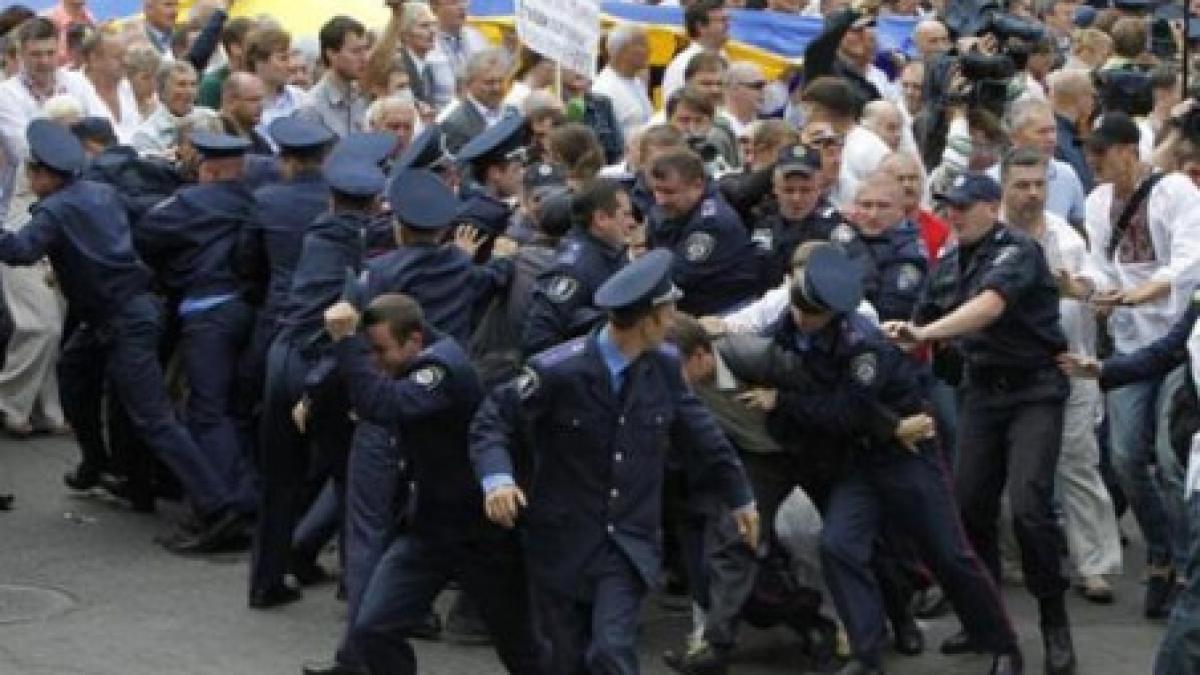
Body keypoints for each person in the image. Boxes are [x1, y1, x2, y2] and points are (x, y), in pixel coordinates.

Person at [471, 248, 760, 675]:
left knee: (611, 650)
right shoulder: (558, 371)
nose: (673, 320)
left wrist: (741, 498)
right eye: (668, 311)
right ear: (649, 319)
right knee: (565, 660)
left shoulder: (663, 367)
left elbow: (703, 436)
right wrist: (497, 479)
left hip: (627, 540)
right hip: (563, 541)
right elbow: (493, 419)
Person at [4, 119, 247, 547]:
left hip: (122, 320)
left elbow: (22, 250)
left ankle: (218, 507)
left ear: (44, 174)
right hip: (127, 312)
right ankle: (100, 464)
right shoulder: (101, 192)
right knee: (73, 371)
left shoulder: (55, 211)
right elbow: (145, 219)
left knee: (154, 418)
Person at [884, 173, 1077, 675]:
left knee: (1030, 507)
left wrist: (924, 332)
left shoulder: (1017, 250)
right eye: (948, 207)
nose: (954, 215)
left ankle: (1055, 624)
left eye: (965, 207)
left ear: (993, 208)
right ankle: (992, 630)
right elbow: (914, 317)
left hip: (1034, 390)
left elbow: (988, 307)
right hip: (982, 395)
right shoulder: (948, 264)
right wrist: (888, 332)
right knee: (969, 508)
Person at [309, 292, 546, 675]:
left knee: (523, 650)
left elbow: (384, 406)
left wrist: (347, 344)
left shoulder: (441, 369)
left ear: (415, 340)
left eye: (381, 351)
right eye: (369, 352)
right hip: (429, 529)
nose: (375, 363)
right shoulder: (410, 356)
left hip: (482, 537)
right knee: (373, 627)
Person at [249, 143, 386, 610]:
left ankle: (266, 581)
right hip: (325, 364)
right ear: (373, 205)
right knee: (352, 478)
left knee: (278, 478)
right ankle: (355, 586)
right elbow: (348, 311)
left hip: (282, 355)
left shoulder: (317, 235)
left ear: (331, 201)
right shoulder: (367, 245)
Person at [1083, 112, 1200, 618]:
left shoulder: (1174, 191)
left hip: (1177, 341)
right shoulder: (1095, 202)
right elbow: (1099, 264)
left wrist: (1136, 295)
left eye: (1101, 154)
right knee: (1127, 457)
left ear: (1128, 150)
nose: (1093, 165)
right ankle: (1160, 546)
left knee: (1170, 458)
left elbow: (1187, 263)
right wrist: (1095, 290)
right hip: (1131, 343)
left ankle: (1181, 561)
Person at [1000, 147, 1123, 603]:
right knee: (1014, 472)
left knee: (1077, 463)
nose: (1032, 194)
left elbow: (1095, 283)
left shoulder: (1065, 236)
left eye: (1039, 185)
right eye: (1022, 185)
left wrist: (1081, 286)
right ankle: (1015, 558)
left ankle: (1093, 565)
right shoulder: (988, 232)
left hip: (1069, 365)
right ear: (1004, 186)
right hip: (1009, 371)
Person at [133, 130, 262, 546]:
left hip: (207, 312)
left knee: (207, 411)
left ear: (206, 169)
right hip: (248, 310)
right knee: (235, 409)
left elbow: (147, 235)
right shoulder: (254, 198)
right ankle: (245, 496)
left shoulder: (190, 202)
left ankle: (230, 506)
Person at [645, 148, 763, 316]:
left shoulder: (712, 223)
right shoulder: (672, 210)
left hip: (724, 312)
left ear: (698, 185)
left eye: (669, 192)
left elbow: (676, 276)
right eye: (656, 190)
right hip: (693, 308)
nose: (660, 200)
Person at [523, 177, 633, 355]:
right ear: (601, 219)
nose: (632, 222)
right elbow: (540, 338)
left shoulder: (611, 251)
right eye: (625, 214)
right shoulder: (573, 268)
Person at [297, 16, 369, 139]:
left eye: (365, 49)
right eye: (355, 51)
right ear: (331, 54)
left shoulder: (357, 95)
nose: (364, 58)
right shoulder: (312, 108)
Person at [439, 47, 511, 154]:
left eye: (500, 81)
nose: (497, 88)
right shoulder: (455, 125)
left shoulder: (512, 113)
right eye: (489, 82)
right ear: (469, 84)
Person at [592, 24, 654, 143]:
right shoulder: (603, 90)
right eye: (642, 44)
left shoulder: (636, 82)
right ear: (621, 50)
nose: (649, 50)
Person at [662, 0, 731, 103]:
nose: (728, 25)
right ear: (700, 27)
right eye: (722, 20)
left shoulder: (723, 56)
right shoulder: (682, 64)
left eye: (728, 20)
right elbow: (673, 106)